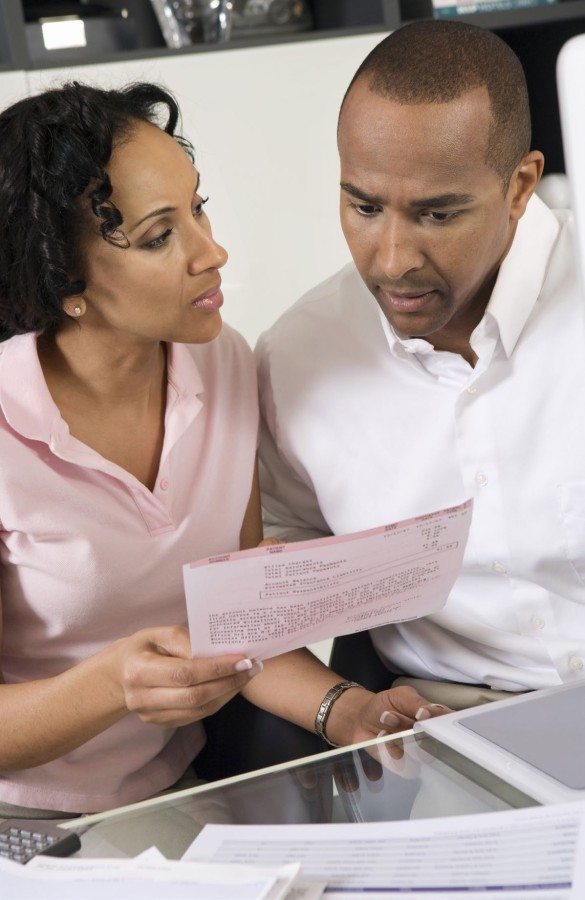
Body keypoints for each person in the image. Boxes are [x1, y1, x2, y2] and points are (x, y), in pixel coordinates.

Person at [0, 81, 444, 823]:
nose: (213, 252)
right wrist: (115, 683)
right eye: (157, 236)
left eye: (197, 209)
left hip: (181, 795)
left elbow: (236, 627)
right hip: (24, 828)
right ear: (63, 280)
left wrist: (350, 712)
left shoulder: (220, 362)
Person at [257, 20, 585, 710]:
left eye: (437, 215)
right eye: (364, 206)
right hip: (452, 723)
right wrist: (339, 708)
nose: (392, 258)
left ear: (521, 185)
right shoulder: (299, 359)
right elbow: (270, 595)